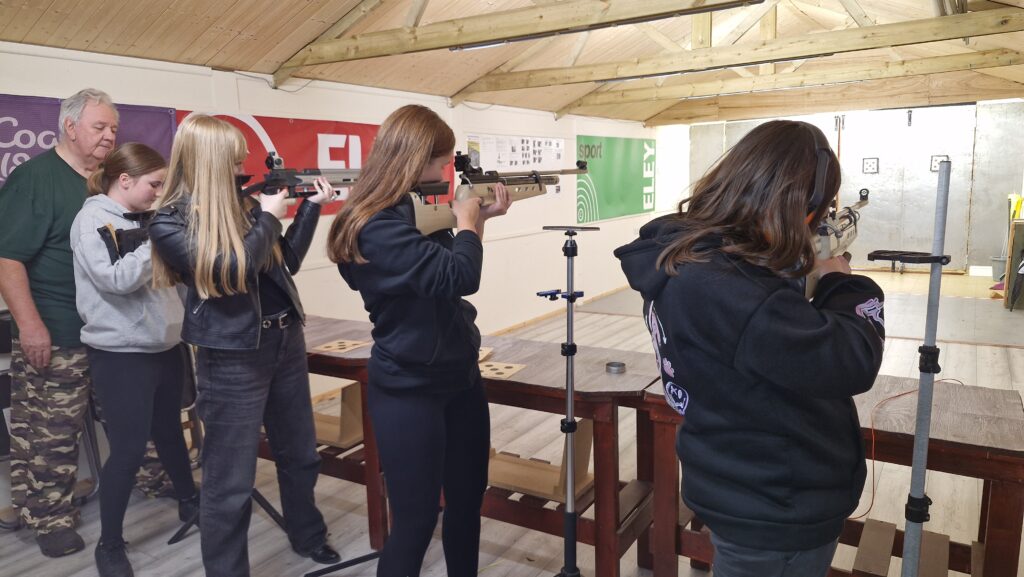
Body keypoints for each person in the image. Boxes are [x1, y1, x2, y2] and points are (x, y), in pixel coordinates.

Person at [615, 120, 885, 577]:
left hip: (731, 475)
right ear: (797, 206)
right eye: (815, 211)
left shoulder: (683, 253)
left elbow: (747, 346)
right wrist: (841, 280)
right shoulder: (736, 292)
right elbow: (851, 358)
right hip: (775, 504)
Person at [148, 114, 339, 577]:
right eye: (233, 158)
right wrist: (270, 216)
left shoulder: (243, 205)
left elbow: (283, 261)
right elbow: (227, 274)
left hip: (284, 339)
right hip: (232, 355)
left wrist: (308, 208)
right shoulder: (168, 221)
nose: (242, 164)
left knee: (300, 454)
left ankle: (307, 534)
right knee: (229, 482)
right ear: (211, 159)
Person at [327, 104, 512, 577]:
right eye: (442, 162)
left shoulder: (413, 215)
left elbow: (442, 278)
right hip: (409, 388)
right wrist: (468, 221)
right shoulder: (376, 227)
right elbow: (461, 275)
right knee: (414, 520)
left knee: (468, 504)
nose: (446, 172)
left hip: (459, 377)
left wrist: (477, 220)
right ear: (413, 160)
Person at [70, 142, 199, 577]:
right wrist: (159, 239)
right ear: (124, 180)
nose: (160, 194)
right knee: (126, 450)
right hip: (121, 355)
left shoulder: (146, 218)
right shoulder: (92, 221)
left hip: (166, 345)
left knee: (169, 432)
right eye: (154, 185)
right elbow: (116, 279)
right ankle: (109, 544)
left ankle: (190, 502)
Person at [0, 88, 118, 557]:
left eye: (113, 129)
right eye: (100, 127)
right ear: (70, 128)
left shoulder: (106, 180)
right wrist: (31, 327)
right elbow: (7, 260)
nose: (109, 136)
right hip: (56, 332)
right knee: (48, 433)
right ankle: (48, 518)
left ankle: (158, 481)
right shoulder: (36, 179)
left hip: (107, 331)